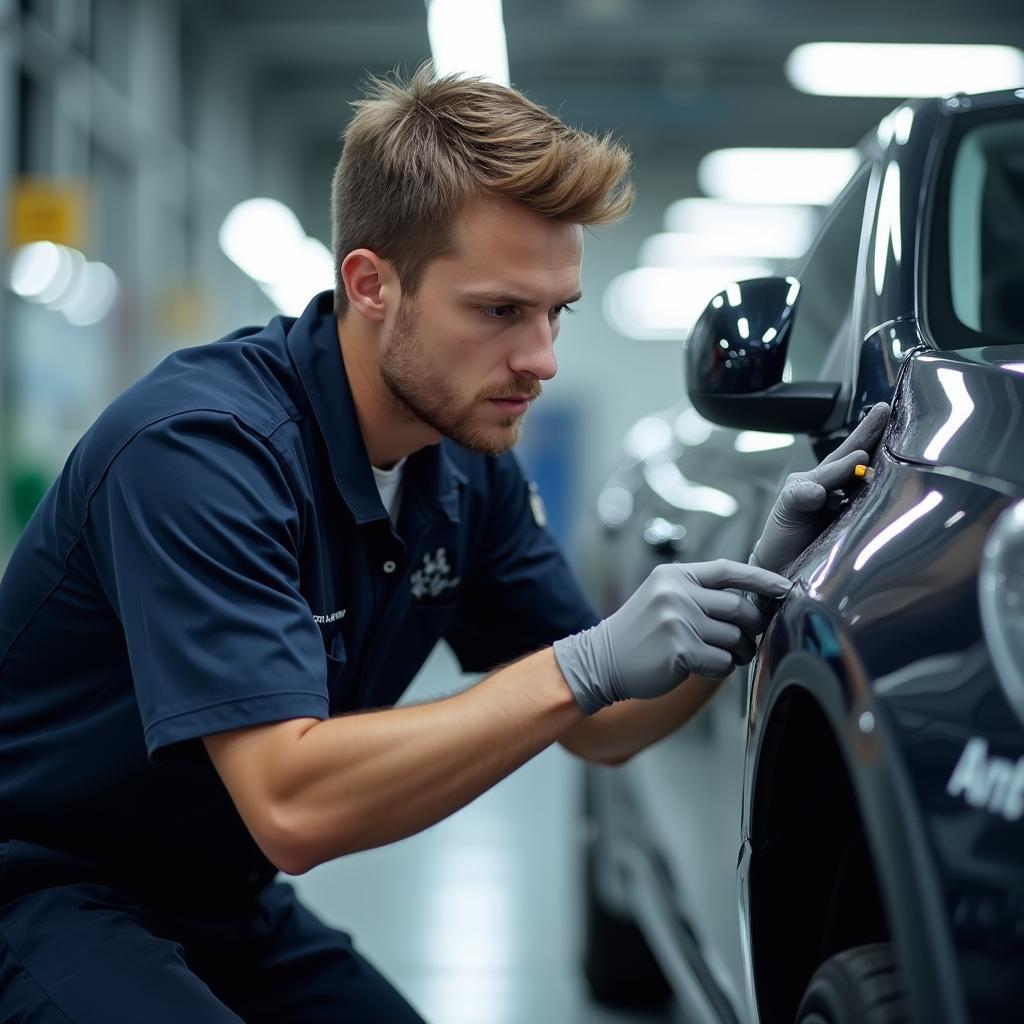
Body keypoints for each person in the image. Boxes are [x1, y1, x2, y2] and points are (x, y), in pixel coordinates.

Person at [0, 65, 889, 1022]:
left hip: (216, 897)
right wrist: (585, 663)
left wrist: (751, 593)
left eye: (557, 312)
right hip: (40, 890)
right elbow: (292, 802)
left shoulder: (464, 472)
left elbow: (600, 727)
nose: (542, 359)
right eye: (500, 311)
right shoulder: (200, 453)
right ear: (371, 284)